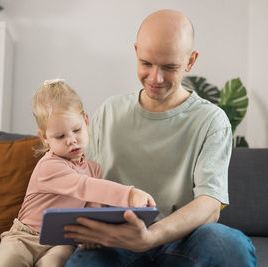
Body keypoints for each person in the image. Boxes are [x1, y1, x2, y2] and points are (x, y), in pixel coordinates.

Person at [64, 9, 257, 267]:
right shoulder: (109, 112)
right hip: (119, 238)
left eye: (170, 67)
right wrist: (90, 216)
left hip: (185, 238)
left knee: (229, 246)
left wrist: (151, 236)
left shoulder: (212, 120)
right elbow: (89, 185)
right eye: (146, 63)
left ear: (190, 61)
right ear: (136, 51)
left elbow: (210, 205)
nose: (155, 78)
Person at [0, 79, 156, 267]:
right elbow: (83, 186)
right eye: (60, 136)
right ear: (45, 138)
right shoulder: (49, 166)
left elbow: (91, 208)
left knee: (54, 264)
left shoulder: (94, 169)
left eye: (76, 130)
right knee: (8, 261)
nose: (71, 140)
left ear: (86, 121)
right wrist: (130, 194)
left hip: (60, 241)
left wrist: (89, 234)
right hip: (24, 236)